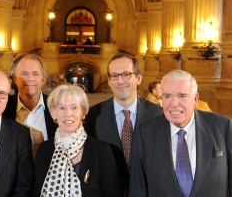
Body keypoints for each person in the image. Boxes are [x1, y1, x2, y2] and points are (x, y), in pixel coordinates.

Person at [130, 69, 232, 197]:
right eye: (167, 96)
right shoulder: (144, 133)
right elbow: (137, 188)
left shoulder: (223, 127)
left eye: (182, 96)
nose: (173, 104)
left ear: (195, 99)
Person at [84, 53, 163, 192]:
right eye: (114, 75)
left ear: (138, 78)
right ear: (109, 81)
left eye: (126, 74)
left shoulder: (159, 115)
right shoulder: (92, 116)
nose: (120, 81)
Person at [33, 84, 124, 196]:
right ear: (53, 113)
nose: (68, 114)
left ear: (83, 112)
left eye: (74, 107)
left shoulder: (101, 151)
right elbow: (36, 192)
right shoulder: (44, 149)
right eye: (62, 108)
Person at [2, 54, 57, 156]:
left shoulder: (57, 107)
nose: (30, 78)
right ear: (15, 79)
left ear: (43, 79)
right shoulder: (2, 107)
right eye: (24, 74)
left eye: (35, 74)